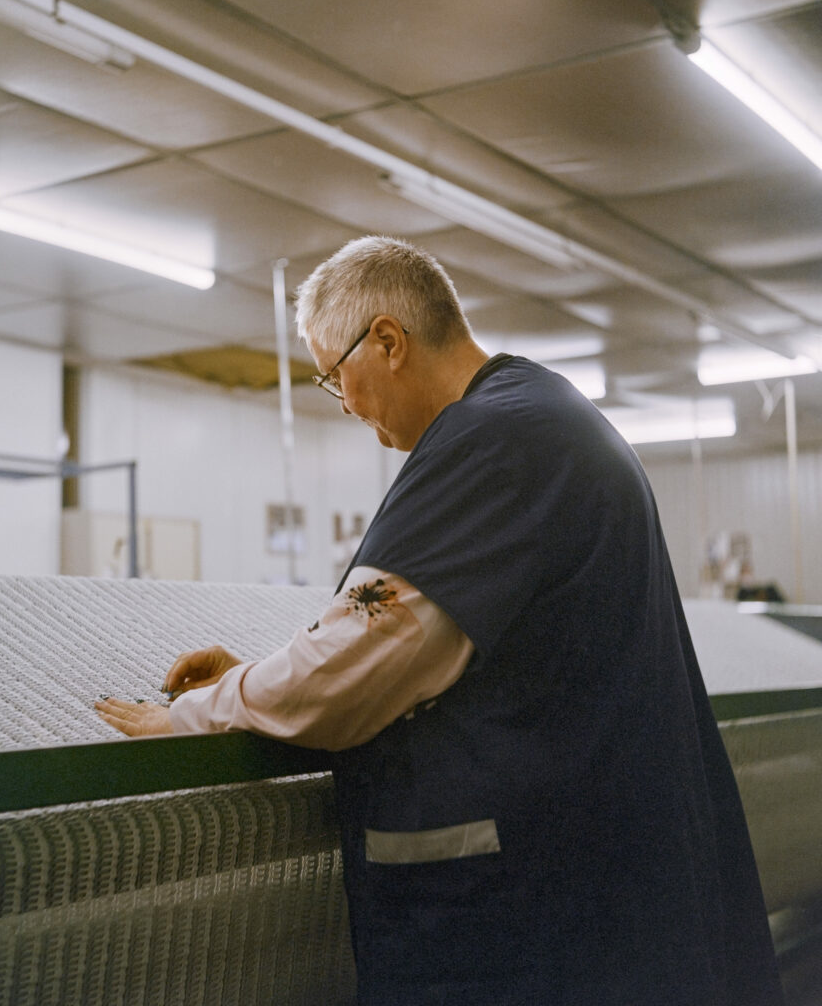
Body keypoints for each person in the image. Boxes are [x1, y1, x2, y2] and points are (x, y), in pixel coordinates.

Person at [95, 236, 784, 1006]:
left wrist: (189, 715)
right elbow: (422, 637)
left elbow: (348, 671)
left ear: (387, 340)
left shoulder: (489, 440)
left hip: (532, 926)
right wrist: (255, 674)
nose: (348, 403)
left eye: (335, 376)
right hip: (612, 899)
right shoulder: (549, 413)